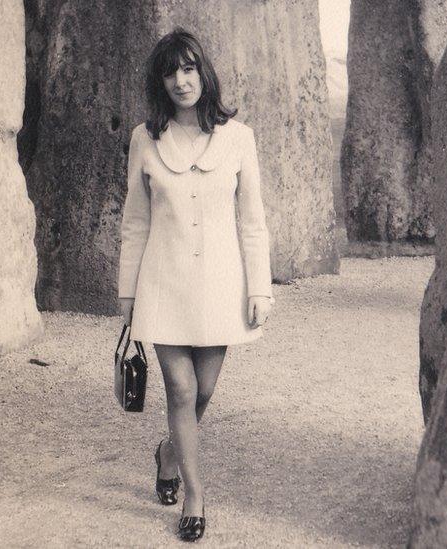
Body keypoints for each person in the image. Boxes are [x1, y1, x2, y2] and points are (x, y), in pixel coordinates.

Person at [117, 27, 273, 542]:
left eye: (188, 69)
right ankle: (195, 493)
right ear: (159, 82)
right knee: (180, 388)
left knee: (203, 391)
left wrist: (259, 288)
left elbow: (252, 221)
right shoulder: (145, 137)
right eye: (169, 72)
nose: (180, 81)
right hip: (162, 283)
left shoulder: (239, 137)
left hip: (220, 286)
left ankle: (167, 452)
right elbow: (135, 222)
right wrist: (127, 291)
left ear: (203, 72)